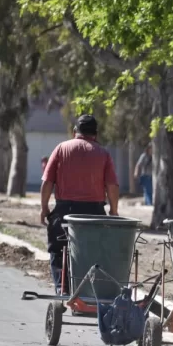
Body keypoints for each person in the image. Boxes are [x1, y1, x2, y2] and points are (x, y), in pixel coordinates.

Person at [40, 114, 120, 294]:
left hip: (65, 211)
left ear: (75, 131)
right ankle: (90, 291)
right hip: (94, 212)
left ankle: (63, 289)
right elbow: (112, 186)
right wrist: (113, 211)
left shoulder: (61, 148)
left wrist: (44, 208)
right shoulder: (103, 154)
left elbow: (47, 182)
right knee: (95, 252)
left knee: (58, 250)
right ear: (96, 134)